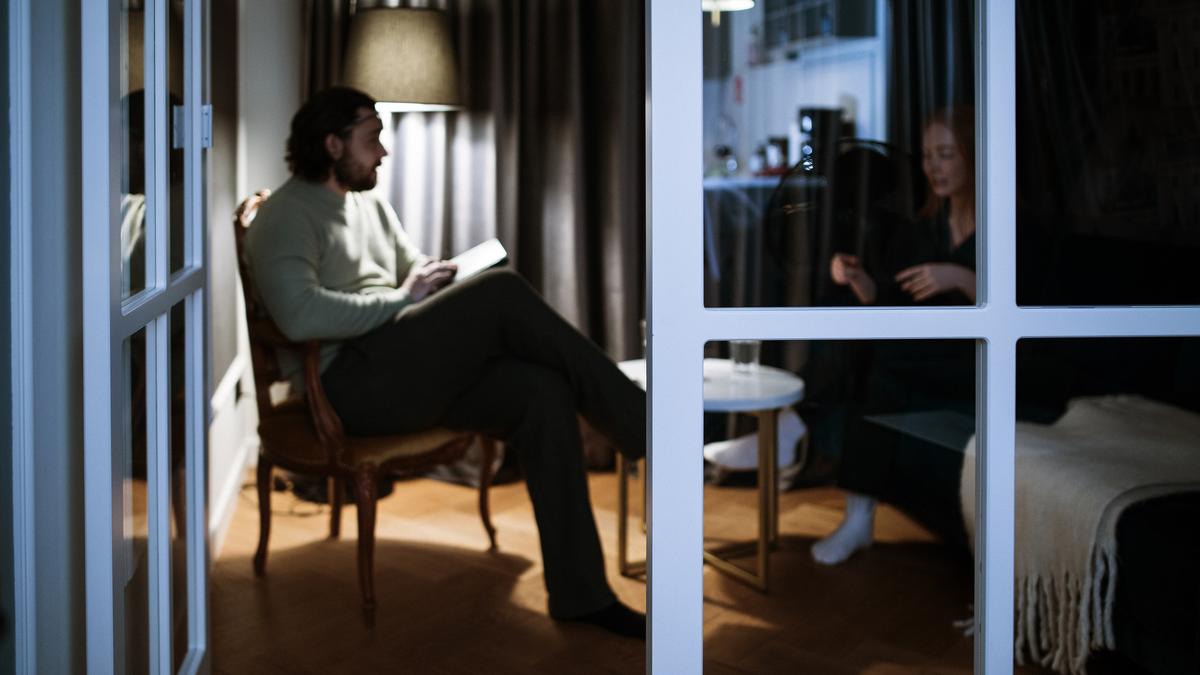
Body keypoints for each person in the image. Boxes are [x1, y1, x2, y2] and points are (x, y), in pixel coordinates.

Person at [244, 87, 647, 637]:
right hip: (350, 390)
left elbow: (409, 266)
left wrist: (437, 275)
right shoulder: (285, 218)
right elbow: (299, 316)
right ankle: (643, 423)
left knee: (540, 390)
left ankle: (581, 595)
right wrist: (401, 298)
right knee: (502, 294)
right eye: (372, 138)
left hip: (405, 372)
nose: (383, 152)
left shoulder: (367, 202)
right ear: (332, 143)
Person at [812, 107, 978, 565]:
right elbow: (895, 303)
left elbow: (1024, 305)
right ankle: (857, 515)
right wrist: (861, 280)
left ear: (973, 156)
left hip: (975, 359)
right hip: (921, 353)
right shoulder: (924, 230)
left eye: (945, 154)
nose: (932, 167)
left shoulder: (1008, 228)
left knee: (877, 360)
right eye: (927, 156)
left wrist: (962, 280)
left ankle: (798, 422)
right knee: (856, 326)